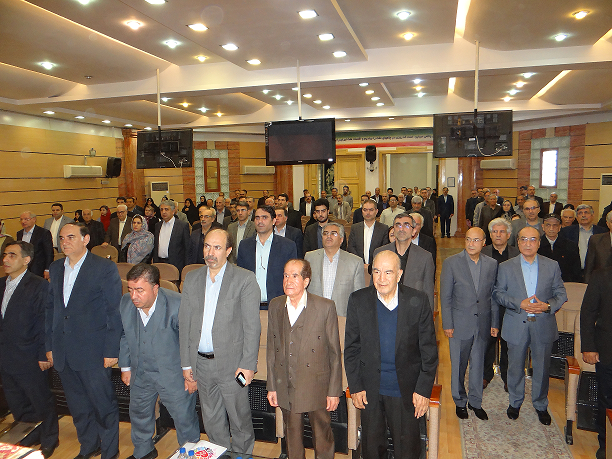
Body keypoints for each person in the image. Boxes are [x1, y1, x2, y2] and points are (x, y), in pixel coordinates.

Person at [344, 250, 438, 459]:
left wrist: (423, 390)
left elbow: (429, 352)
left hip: (405, 391)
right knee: (372, 451)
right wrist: (356, 386)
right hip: (370, 391)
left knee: (407, 451)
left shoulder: (418, 301)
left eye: (388, 272)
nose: (381, 278)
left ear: (399, 274)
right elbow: (351, 348)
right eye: (376, 271)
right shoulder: (358, 300)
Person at [179, 229, 261, 454]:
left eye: (217, 247)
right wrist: (186, 364)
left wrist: (248, 365)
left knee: (239, 419)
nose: (210, 252)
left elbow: (252, 327)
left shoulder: (244, 279)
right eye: (207, 246)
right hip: (201, 364)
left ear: (228, 250)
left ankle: (242, 456)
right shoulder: (192, 278)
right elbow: (185, 324)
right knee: (212, 420)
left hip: (233, 365)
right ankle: (220, 454)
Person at [46, 223, 122, 459]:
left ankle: (110, 451)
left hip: (93, 350)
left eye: (70, 237)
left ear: (86, 239)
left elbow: (114, 310)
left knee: (103, 405)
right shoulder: (55, 268)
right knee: (78, 406)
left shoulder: (104, 267)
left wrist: (112, 349)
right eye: (61, 238)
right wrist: (49, 345)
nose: (64, 242)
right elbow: (51, 309)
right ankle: (89, 446)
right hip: (64, 350)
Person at [119, 264, 200, 459]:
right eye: (130, 289)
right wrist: (125, 366)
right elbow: (124, 334)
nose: (134, 296)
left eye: (140, 290)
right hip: (140, 371)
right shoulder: (126, 303)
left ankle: (190, 454)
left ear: (155, 288)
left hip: (173, 373)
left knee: (184, 418)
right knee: (138, 413)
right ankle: (144, 451)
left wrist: (191, 375)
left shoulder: (177, 304)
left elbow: (191, 342)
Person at [266, 259, 342, 459]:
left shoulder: (325, 307)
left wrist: (334, 391)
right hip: (286, 383)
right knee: (292, 439)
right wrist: (272, 386)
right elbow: (272, 349)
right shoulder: (275, 305)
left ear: (306, 281)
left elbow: (335, 353)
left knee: (322, 436)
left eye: (294, 276)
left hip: (317, 385)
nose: (288, 280)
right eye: (285, 275)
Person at [493, 227, 567, 425]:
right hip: (516, 323)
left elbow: (561, 294)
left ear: (539, 243)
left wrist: (547, 306)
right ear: (518, 242)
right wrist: (519, 303)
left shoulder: (551, 265)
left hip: (543, 324)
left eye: (532, 240)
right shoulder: (506, 267)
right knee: (515, 367)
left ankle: (541, 404)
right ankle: (515, 402)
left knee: (541, 368)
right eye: (523, 239)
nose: (528, 243)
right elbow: (498, 293)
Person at [1, 241, 59, 458]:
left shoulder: (38, 285)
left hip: (30, 354)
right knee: (16, 400)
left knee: (40, 400)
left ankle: (49, 438)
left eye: (12, 255)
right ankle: (29, 434)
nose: (5, 259)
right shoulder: (1, 284)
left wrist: (44, 352)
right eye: (5, 255)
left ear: (26, 260)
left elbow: (45, 321)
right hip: (6, 354)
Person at [441, 227, 499, 421]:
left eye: (475, 240)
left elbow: (493, 296)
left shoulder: (491, 264)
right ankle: (460, 401)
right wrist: (447, 323)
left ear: (484, 242)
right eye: (468, 239)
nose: (471, 244)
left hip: (482, 322)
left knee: (478, 365)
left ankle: (475, 402)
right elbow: (446, 297)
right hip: (459, 324)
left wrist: (494, 322)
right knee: (458, 365)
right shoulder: (451, 263)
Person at [482, 218, 520, 391]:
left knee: (508, 342)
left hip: (509, 304)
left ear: (509, 235)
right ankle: (485, 375)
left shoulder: (517, 253)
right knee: (486, 342)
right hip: (487, 304)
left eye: (502, 231)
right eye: (495, 232)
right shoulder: (482, 252)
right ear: (490, 235)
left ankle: (507, 377)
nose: (498, 235)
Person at [237, 206, 297, 307]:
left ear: (274, 221)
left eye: (264, 217)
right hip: (250, 304)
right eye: (257, 218)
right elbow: (240, 276)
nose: (260, 221)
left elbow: (292, 277)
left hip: (278, 304)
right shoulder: (244, 245)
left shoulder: (287, 246)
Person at [580, 266, 612, 459]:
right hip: (608, 351)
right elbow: (588, 313)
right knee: (607, 400)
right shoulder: (602, 275)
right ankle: (606, 444)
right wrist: (589, 347)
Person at [373, 213, 435, 311]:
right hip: (384, 309)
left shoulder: (425, 257)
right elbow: (373, 287)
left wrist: (427, 317)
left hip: (413, 311)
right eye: (398, 225)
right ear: (393, 230)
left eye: (406, 225)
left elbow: (428, 292)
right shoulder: (380, 253)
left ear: (413, 231)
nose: (401, 229)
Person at [305, 222, 365, 316]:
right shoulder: (309, 258)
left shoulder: (355, 262)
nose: (329, 236)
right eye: (325, 233)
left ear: (341, 239)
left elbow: (359, 297)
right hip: (314, 315)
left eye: (333, 233)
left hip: (341, 316)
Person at [560, 203, 607, 275]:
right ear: (576, 217)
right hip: (573, 273)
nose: (583, 215)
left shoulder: (602, 232)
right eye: (580, 213)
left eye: (586, 212)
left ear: (592, 215)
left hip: (596, 273)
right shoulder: (566, 232)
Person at [538, 213, 581, 282]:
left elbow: (576, 271)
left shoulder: (570, 246)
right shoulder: (537, 246)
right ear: (543, 227)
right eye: (548, 225)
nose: (551, 228)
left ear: (559, 227)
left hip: (565, 284)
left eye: (555, 225)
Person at [153, 200, 191, 274]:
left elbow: (187, 248)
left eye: (166, 209)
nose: (163, 212)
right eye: (161, 210)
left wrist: (186, 268)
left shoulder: (182, 226)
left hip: (176, 265)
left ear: (173, 211)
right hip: (159, 263)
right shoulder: (157, 225)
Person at [347, 199, 389, 266]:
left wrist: (370, 266)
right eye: (365, 210)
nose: (368, 213)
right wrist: (361, 264)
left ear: (376, 211)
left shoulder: (384, 229)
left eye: (371, 210)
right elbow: (351, 247)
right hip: (358, 265)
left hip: (377, 266)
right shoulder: (355, 228)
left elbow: (384, 249)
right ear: (362, 211)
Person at [17, 211, 53, 279]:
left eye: (26, 219)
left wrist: (47, 269)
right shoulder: (19, 233)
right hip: (23, 268)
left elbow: (49, 252)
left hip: (38, 268)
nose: (23, 221)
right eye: (21, 219)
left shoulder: (43, 233)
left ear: (34, 219)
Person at [585, 211, 612, 283]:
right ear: (608, 224)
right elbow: (589, 267)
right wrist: (587, 284)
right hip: (601, 283)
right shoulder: (596, 240)